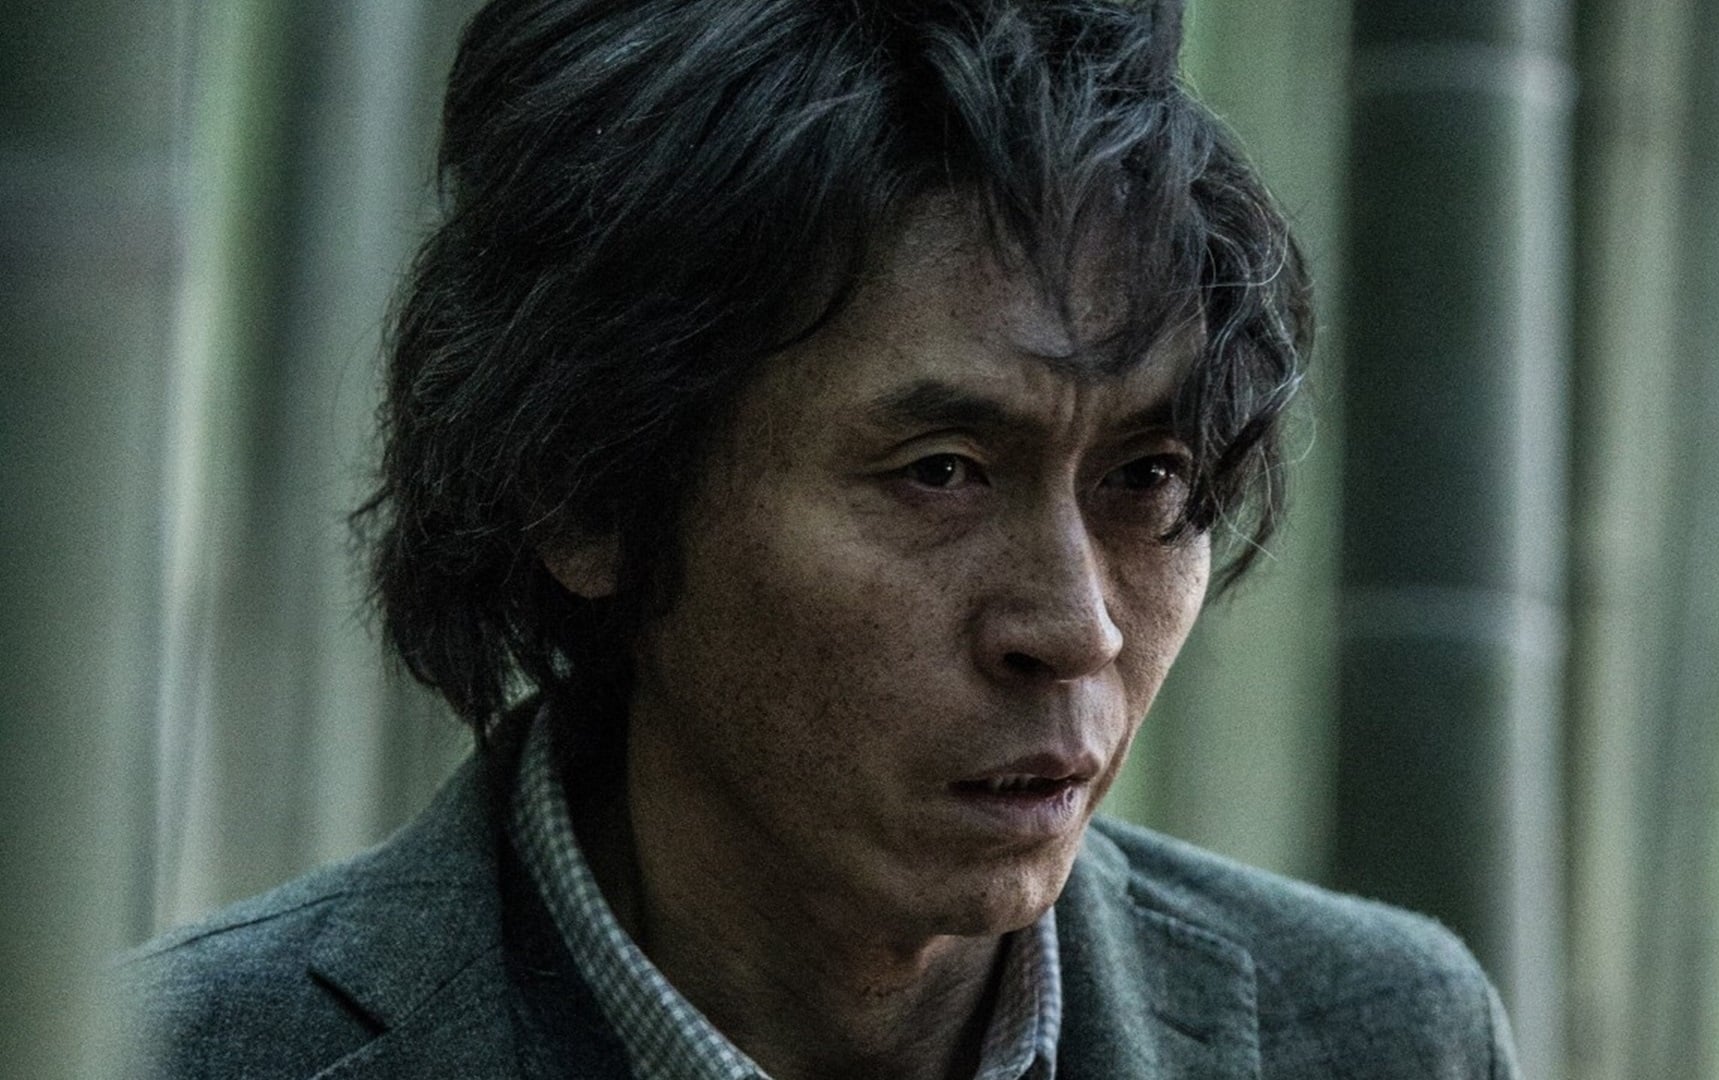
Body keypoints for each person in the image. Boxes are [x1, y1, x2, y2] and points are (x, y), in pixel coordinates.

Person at [124, 0, 1521, 1076]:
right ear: (585, 495)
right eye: (941, 473)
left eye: (1147, 477)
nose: (1076, 624)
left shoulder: (1378, 1035)